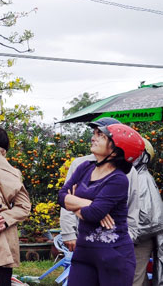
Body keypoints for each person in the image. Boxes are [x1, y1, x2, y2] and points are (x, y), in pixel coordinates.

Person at [58, 122, 145, 286]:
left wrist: (75, 203)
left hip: (113, 257)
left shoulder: (118, 179)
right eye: (95, 134)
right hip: (84, 254)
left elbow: (94, 214)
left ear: (116, 149)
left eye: (101, 136)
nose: (93, 138)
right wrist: (87, 203)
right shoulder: (85, 167)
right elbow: (62, 197)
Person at [0, 126, 31, 286]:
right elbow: (24, 206)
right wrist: (4, 218)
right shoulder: (14, 172)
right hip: (6, 236)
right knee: (3, 278)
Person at [131, 138, 163, 286]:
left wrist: (126, 233)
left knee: (133, 279)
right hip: (127, 240)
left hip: (138, 241)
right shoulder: (129, 176)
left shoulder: (143, 178)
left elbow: (153, 221)